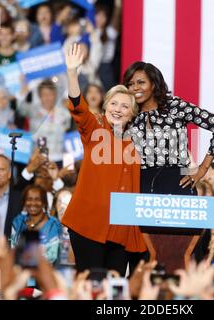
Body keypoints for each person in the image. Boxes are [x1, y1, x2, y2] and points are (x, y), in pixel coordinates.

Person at [60, 43, 146, 275]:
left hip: (122, 228)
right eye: (114, 103)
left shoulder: (139, 141)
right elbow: (79, 108)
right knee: (91, 287)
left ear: (132, 113)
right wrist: (72, 72)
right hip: (89, 224)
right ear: (106, 105)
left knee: (114, 290)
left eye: (125, 106)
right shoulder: (95, 127)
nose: (118, 109)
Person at [122, 61, 214, 196]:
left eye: (141, 82)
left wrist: (202, 169)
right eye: (130, 84)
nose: (135, 88)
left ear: (153, 84)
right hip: (140, 185)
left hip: (177, 183)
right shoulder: (129, 113)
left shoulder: (175, 107)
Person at [10, 185, 62, 265]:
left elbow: (52, 256)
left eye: (37, 200)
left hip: (44, 274)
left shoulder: (53, 225)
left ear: (44, 202)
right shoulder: (18, 222)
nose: (33, 203)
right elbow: (10, 248)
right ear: (24, 202)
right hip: (19, 273)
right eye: (29, 199)